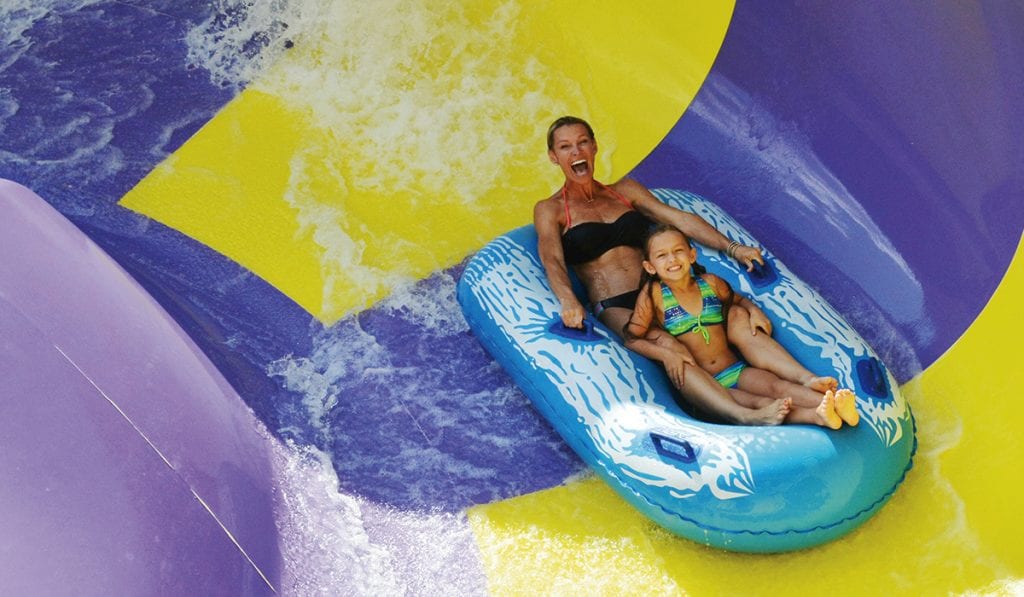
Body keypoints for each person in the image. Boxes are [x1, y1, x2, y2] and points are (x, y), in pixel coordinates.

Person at [534, 115, 838, 425]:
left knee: (735, 316)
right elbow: (552, 259)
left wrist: (732, 247)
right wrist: (568, 300)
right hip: (617, 304)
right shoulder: (551, 209)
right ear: (553, 156)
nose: (576, 152)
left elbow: (679, 220)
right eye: (565, 146)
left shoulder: (624, 190)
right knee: (671, 346)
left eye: (583, 142)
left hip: (664, 291)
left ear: (595, 147)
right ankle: (744, 414)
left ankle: (807, 385)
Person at [623, 225, 861, 428]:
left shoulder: (710, 284)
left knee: (778, 387)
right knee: (760, 404)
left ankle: (831, 406)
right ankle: (815, 416)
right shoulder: (653, 295)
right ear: (650, 267)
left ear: (692, 255)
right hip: (704, 383)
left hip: (735, 370)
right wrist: (666, 355)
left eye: (678, 251)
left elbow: (738, 301)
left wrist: (753, 311)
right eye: (662, 255)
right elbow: (632, 338)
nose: (672, 259)